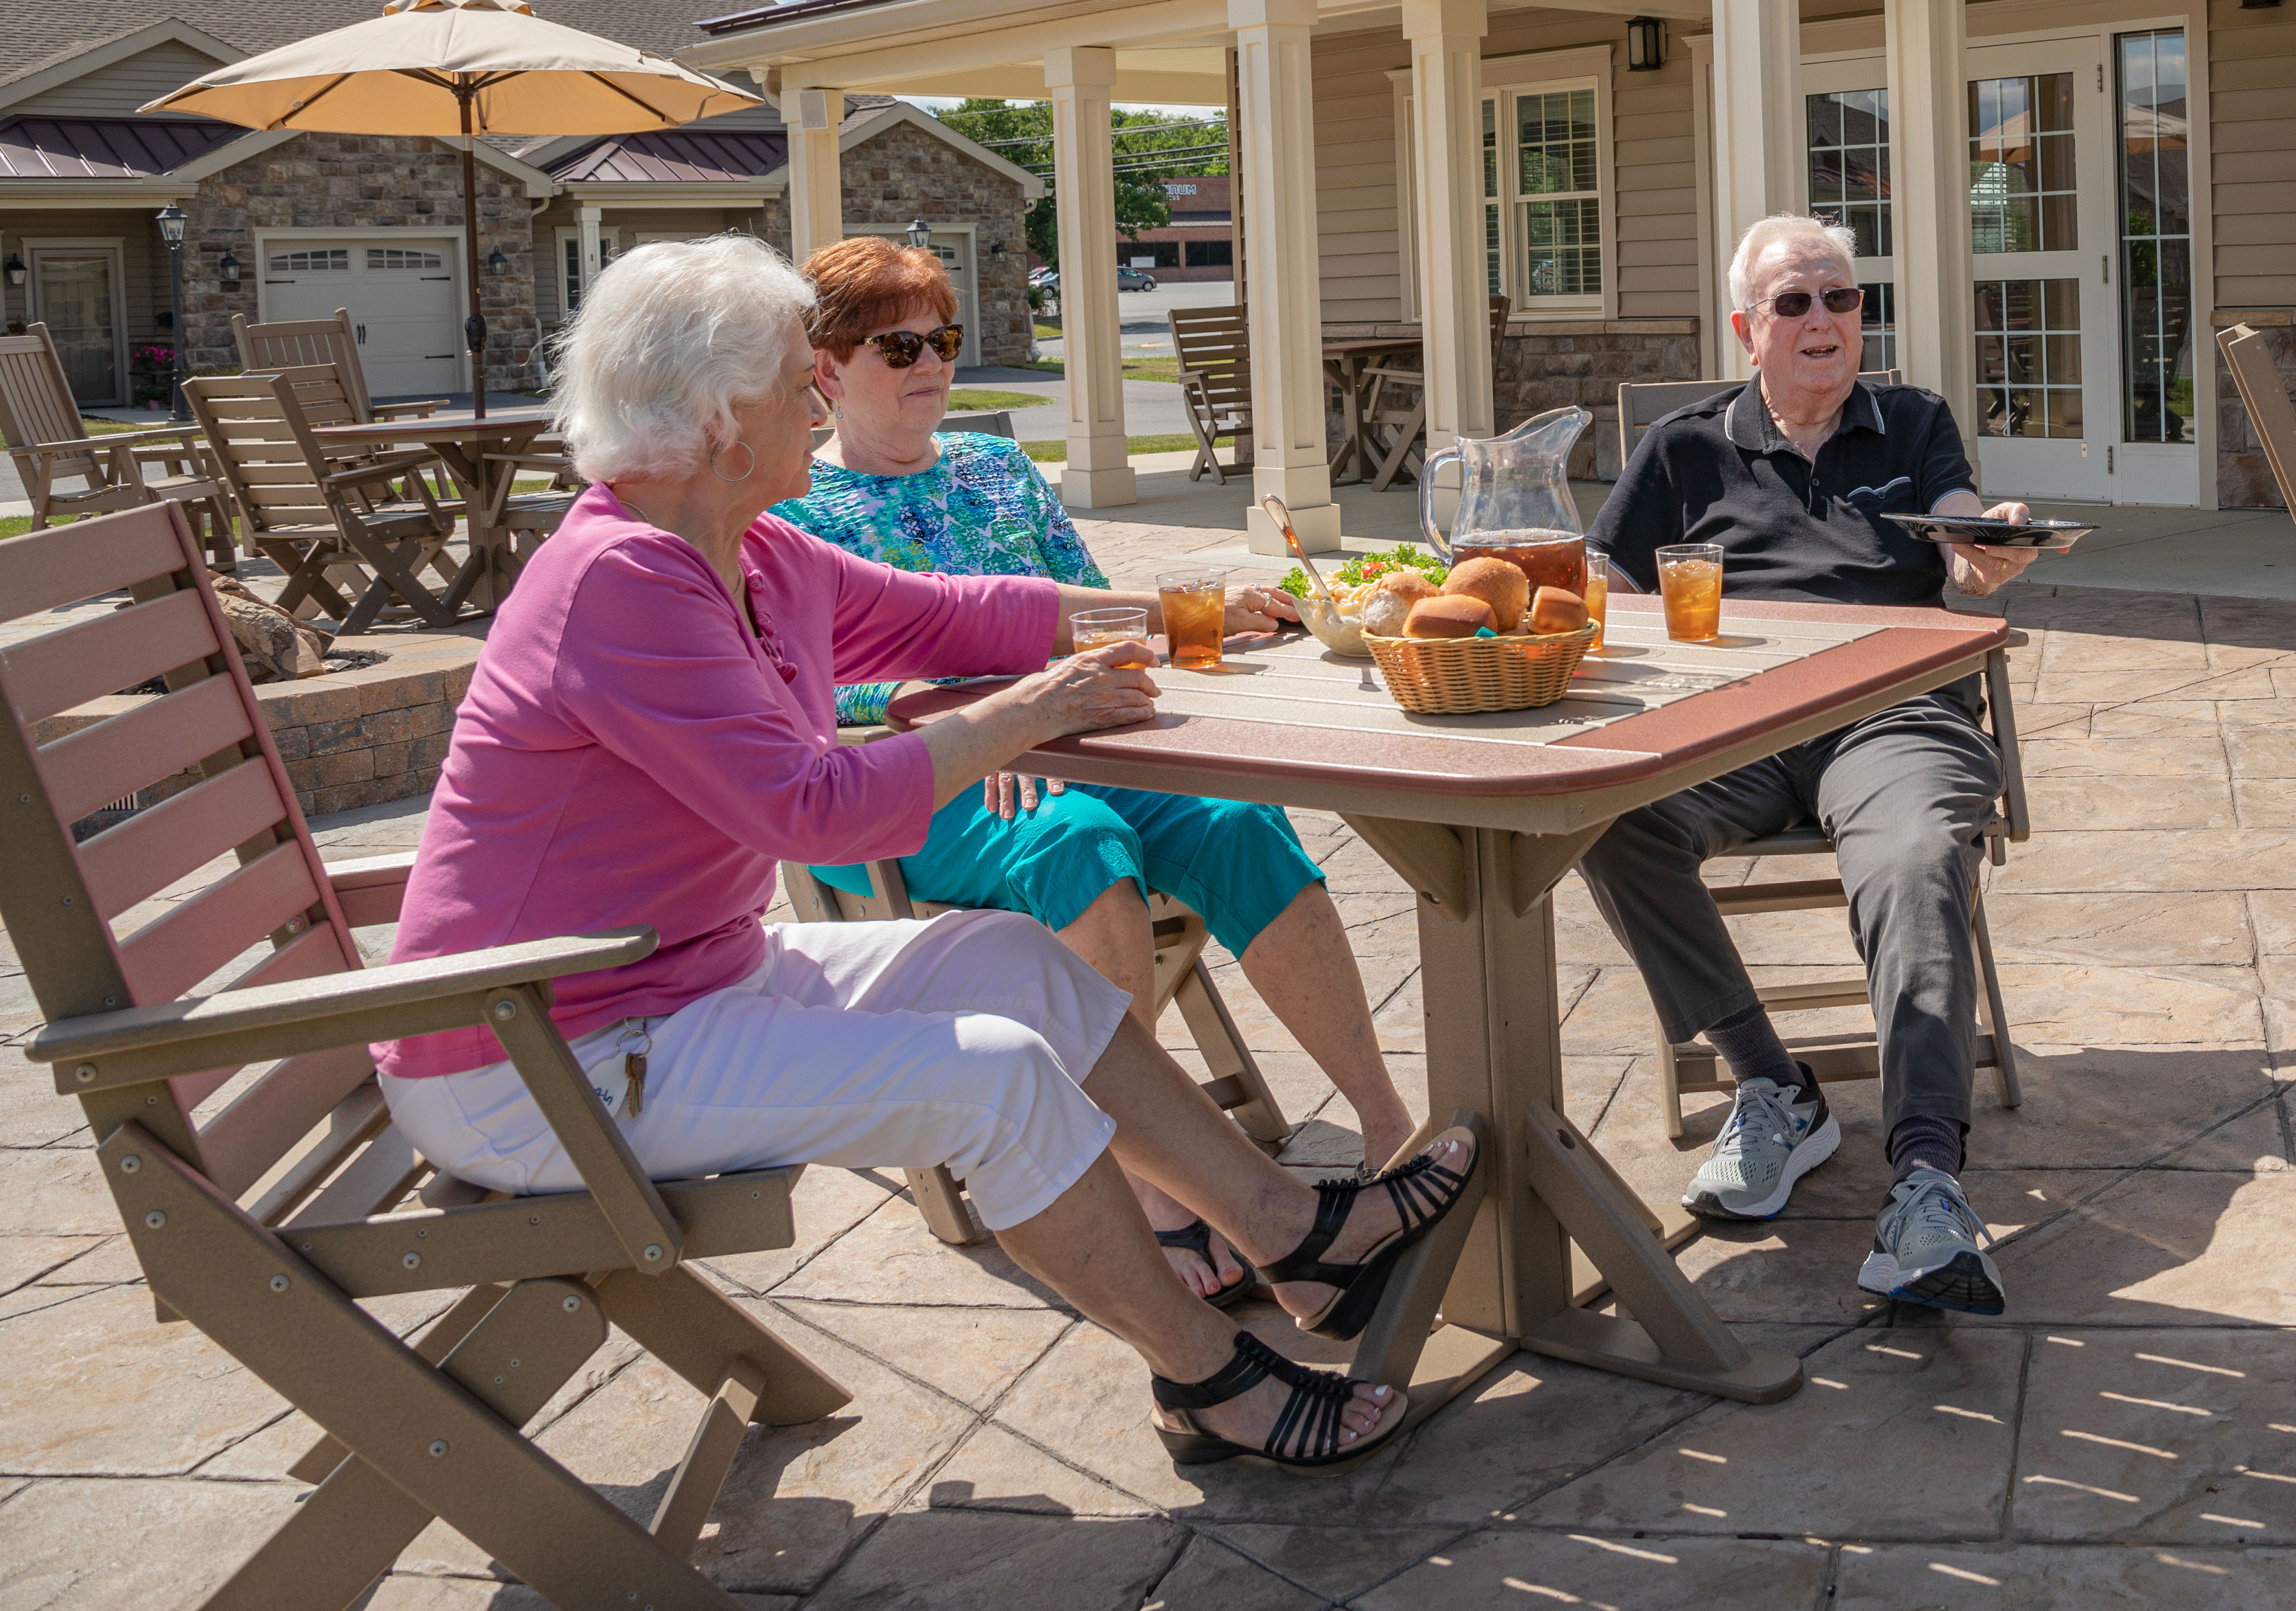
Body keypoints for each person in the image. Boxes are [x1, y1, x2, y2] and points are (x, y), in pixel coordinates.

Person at [369, 235, 1473, 1472]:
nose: (820, 399)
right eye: (802, 380)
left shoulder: (754, 549)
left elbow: (957, 609)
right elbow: (813, 809)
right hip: (533, 1052)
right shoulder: (618, 579)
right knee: (992, 1073)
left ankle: (1287, 1226)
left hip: (675, 984)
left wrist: (1167, 615)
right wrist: (1022, 716)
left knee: (1014, 962)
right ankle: (1206, 1372)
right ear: (724, 418)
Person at [775, 238, 1413, 1298]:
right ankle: (1157, 1193)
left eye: (942, 338)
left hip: (1064, 752)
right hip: (905, 788)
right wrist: (984, 725)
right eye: (899, 344)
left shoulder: (994, 466)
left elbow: (1085, 612)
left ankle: (1386, 1125)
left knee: (1236, 821)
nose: (931, 361)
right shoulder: (792, 509)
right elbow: (807, 693)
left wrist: (1200, 614)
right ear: (825, 368)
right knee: (1081, 845)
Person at [1577, 213, 2042, 1314]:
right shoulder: (1685, 445)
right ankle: (1773, 1086)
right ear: (1749, 328)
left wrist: (1987, 554)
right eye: (1796, 302)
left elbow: (1964, 545)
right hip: (1729, 722)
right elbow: (1600, 572)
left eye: (1843, 297)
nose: (1826, 319)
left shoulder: (1915, 420)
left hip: (1891, 714)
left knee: (1919, 851)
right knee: (1593, 811)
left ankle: (1927, 1176)